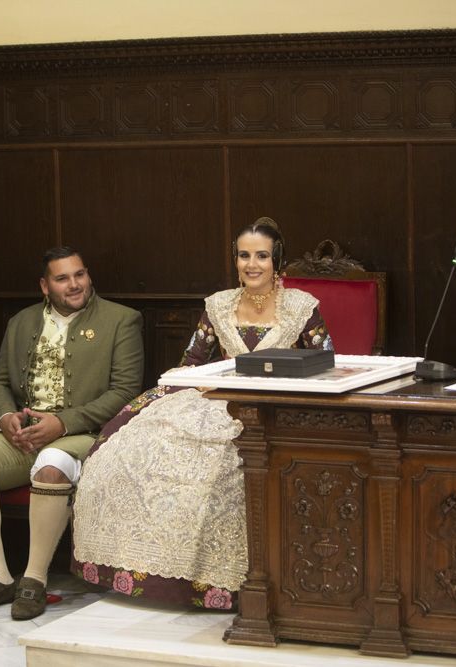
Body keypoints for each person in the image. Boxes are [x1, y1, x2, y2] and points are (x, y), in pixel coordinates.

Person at [71, 217, 333, 608]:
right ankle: (149, 570)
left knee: (220, 472)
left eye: (262, 256)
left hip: (275, 407)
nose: (252, 264)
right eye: (244, 256)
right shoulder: (219, 304)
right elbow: (192, 359)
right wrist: (197, 382)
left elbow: (325, 361)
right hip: (215, 399)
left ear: (277, 259)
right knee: (134, 453)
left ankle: (231, 582)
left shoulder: (300, 306)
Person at [0, 246, 143, 620]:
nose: (75, 284)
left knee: (51, 463)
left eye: (80, 274)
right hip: (23, 435)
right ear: (44, 285)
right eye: (63, 278)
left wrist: (62, 422)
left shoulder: (122, 320)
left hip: (85, 435)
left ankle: (33, 580)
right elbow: (0, 382)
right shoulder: (21, 322)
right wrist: (5, 417)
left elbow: (125, 392)